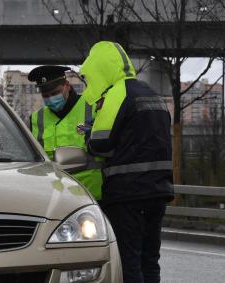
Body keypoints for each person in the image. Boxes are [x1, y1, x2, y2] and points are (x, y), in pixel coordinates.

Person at [79, 41, 174, 283]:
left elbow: (101, 143)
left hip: (128, 194)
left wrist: (89, 133)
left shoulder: (117, 92)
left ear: (99, 69)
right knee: (150, 260)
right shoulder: (149, 92)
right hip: (159, 191)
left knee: (129, 262)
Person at [28, 65, 103, 200]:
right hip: (55, 198)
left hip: (92, 196)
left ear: (67, 85)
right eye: (46, 95)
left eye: (55, 93)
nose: (51, 99)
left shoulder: (92, 108)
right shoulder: (35, 119)